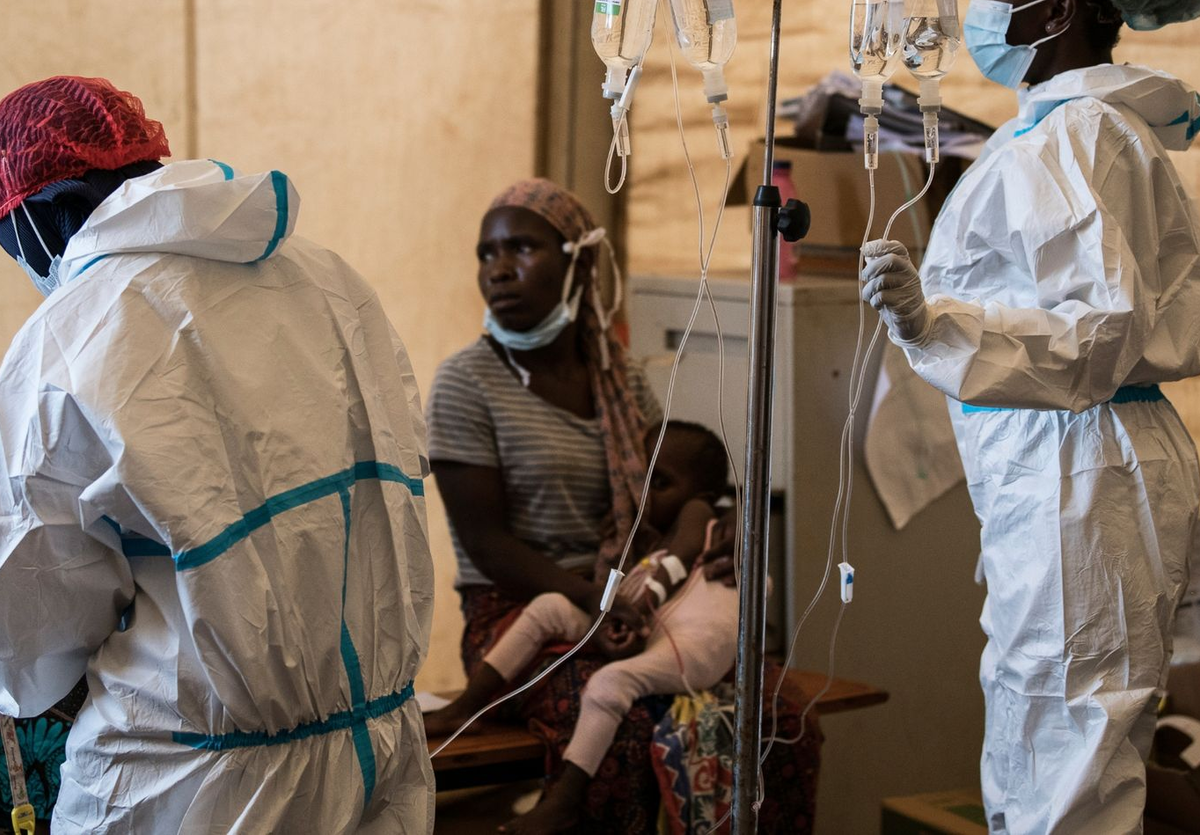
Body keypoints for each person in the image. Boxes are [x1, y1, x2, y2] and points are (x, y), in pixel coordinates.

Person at [861, 0, 1200, 833]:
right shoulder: (1065, 134)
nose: (981, 8)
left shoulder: (1081, 139)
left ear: (1054, 13)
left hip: (1079, 475)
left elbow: (1095, 334)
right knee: (1050, 748)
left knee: (1067, 773)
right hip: (1072, 475)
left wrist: (936, 321)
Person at [0, 77, 435, 834]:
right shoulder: (332, 283)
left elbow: (31, 641)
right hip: (378, 755)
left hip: (183, 782)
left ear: (43, 209)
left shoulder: (69, 337)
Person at [427, 178, 820, 833]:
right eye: (486, 253)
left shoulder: (621, 377)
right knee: (629, 723)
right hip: (520, 617)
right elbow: (487, 542)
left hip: (639, 597)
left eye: (521, 247)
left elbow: (677, 490)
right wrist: (595, 598)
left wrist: (721, 537)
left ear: (578, 260)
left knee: (775, 708)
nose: (497, 268)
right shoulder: (466, 384)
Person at [428, 420, 737, 834]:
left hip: (692, 645)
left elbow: (676, 563)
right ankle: (465, 709)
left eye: (659, 483)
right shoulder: (648, 540)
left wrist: (642, 604)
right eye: (639, 480)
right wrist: (617, 624)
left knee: (609, 685)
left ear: (702, 497)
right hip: (655, 629)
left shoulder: (695, 516)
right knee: (550, 606)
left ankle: (565, 801)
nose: (643, 495)